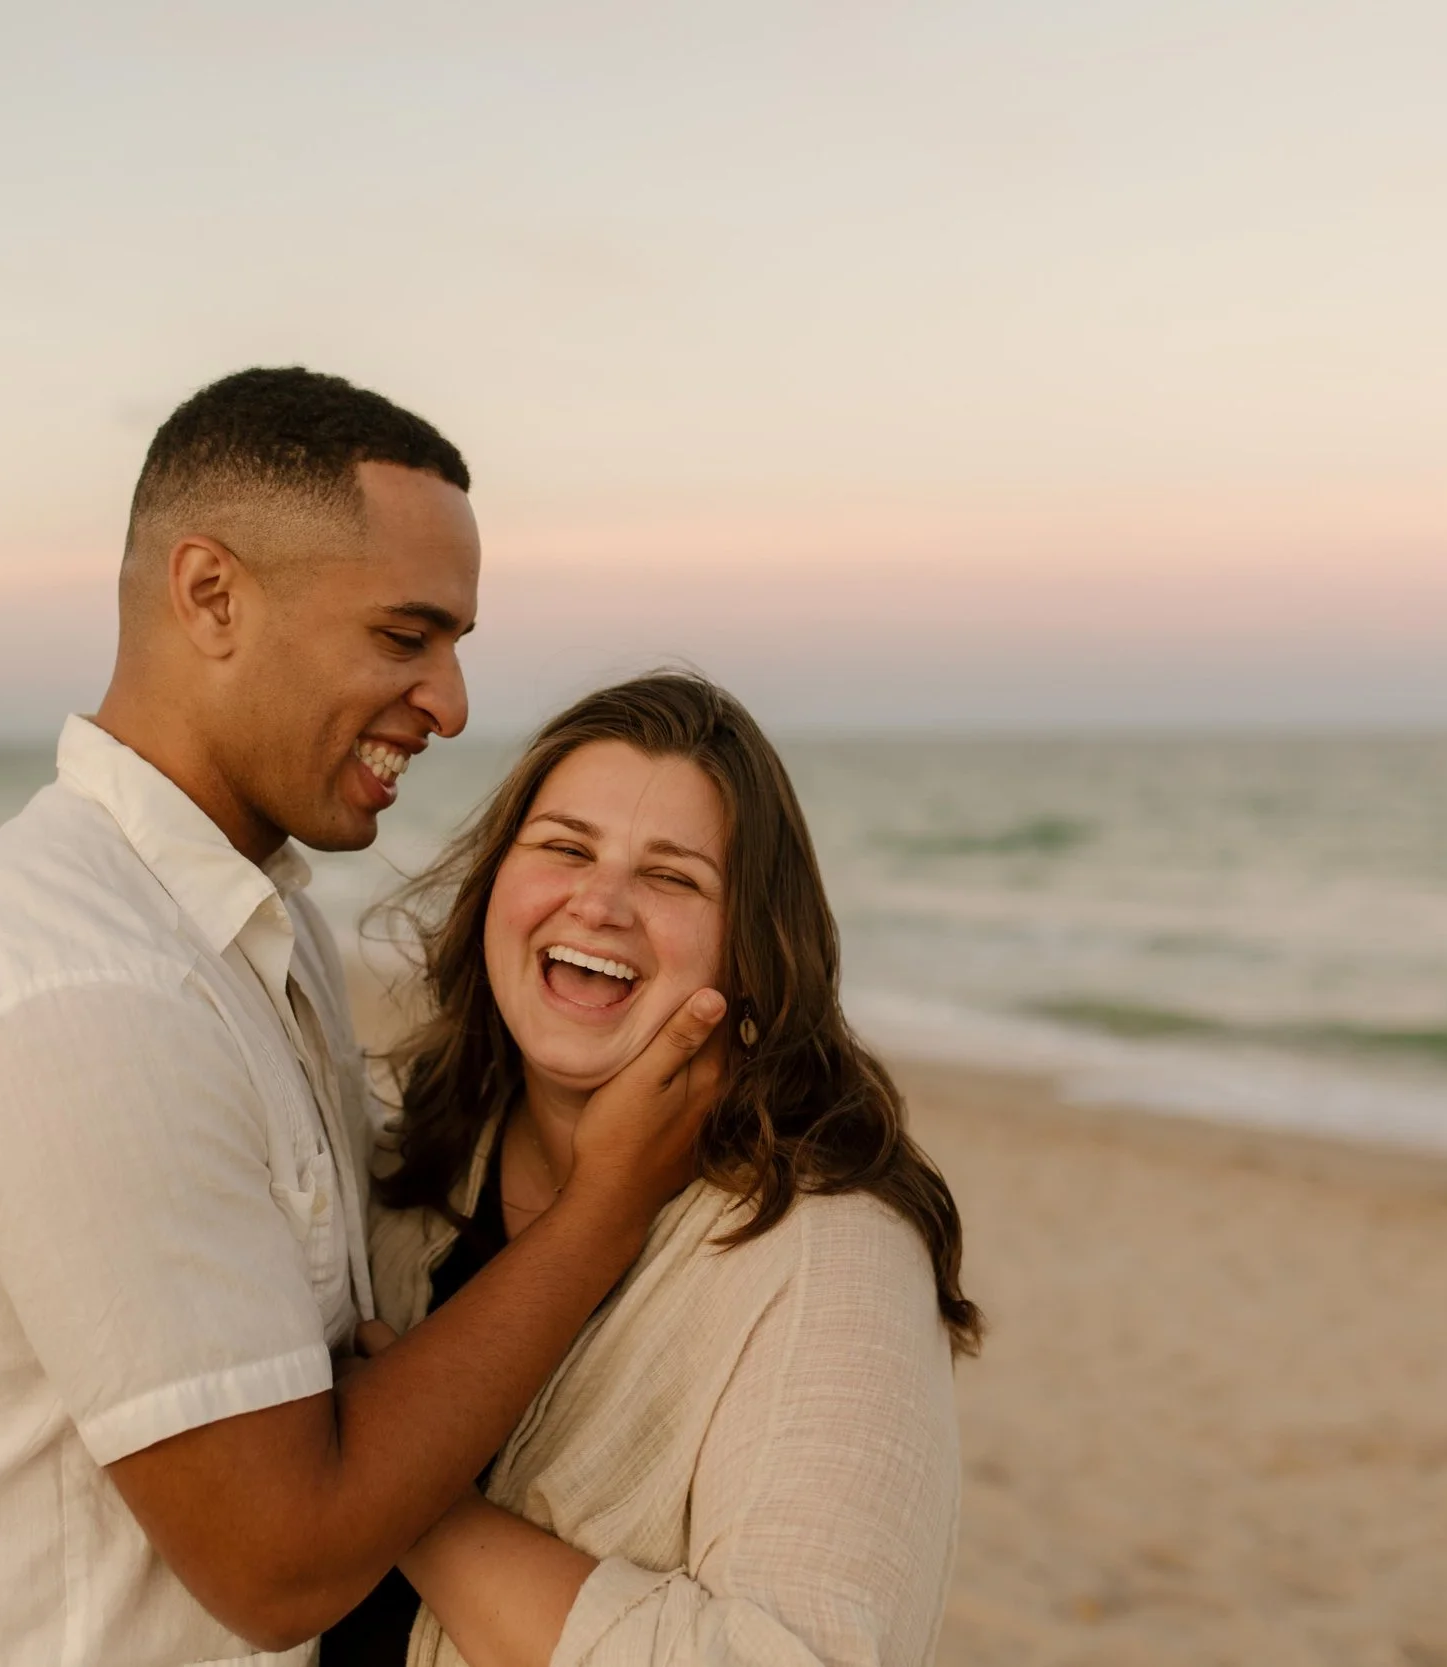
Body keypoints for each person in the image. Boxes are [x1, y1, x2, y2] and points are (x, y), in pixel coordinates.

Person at [0, 369, 726, 1667]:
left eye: (457, 645)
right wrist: (606, 1205)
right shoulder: (88, 993)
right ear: (212, 595)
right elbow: (278, 1563)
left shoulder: (252, 918)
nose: (452, 701)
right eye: (404, 637)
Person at [330, 672, 983, 1667]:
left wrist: (398, 1495)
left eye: (672, 876)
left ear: (751, 950)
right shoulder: (397, 1180)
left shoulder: (829, 1253)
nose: (599, 902)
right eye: (562, 847)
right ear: (493, 886)